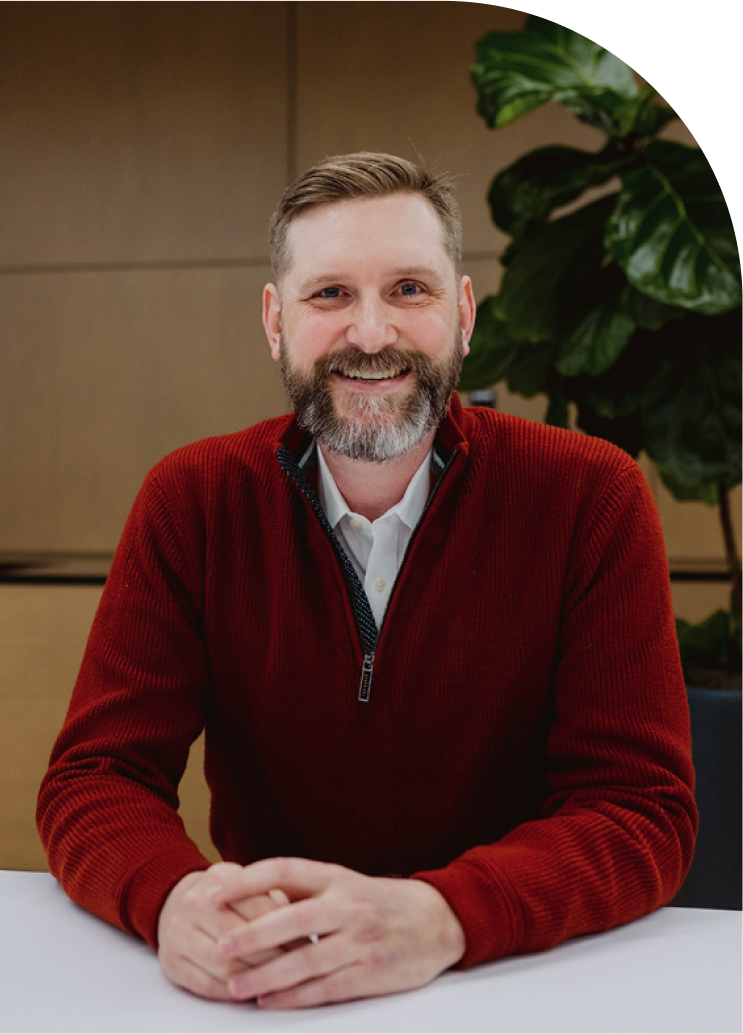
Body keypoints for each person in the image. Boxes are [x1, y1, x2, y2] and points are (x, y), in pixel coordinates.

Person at [37, 152, 697, 1011]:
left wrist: (440, 916)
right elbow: (95, 776)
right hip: (268, 985)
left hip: (517, 984)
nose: (372, 333)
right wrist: (172, 898)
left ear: (462, 314)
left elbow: (639, 810)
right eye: (329, 294)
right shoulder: (191, 501)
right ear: (275, 322)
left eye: (409, 291)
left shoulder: (588, 496)